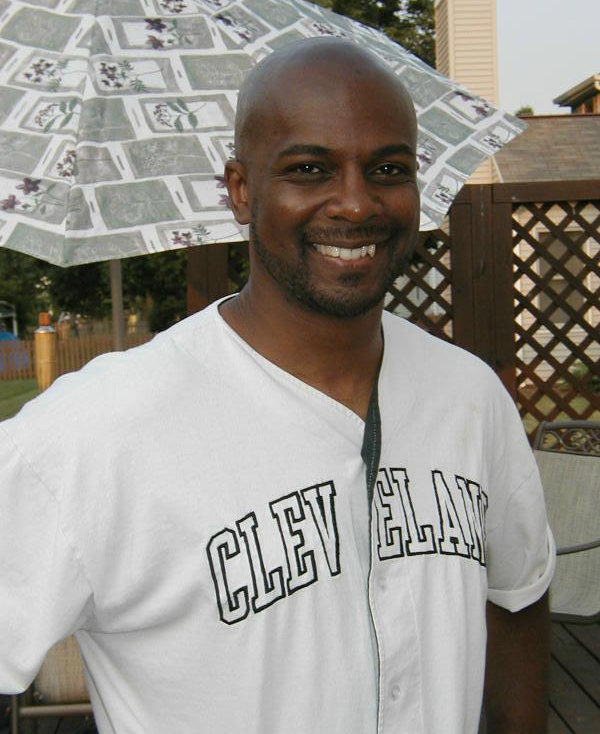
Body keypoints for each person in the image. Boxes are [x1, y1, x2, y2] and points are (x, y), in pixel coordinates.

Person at [0, 39, 554, 733]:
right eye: (308, 169)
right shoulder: (95, 434)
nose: (355, 203)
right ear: (240, 190)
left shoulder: (470, 398)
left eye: (388, 169)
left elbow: (519, 593)